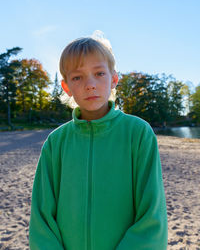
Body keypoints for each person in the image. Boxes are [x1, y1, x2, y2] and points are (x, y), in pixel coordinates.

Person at [29, 37, 168, 249]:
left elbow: (152, 216)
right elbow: (42, 220)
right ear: (66, 87)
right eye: (77, 77)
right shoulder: (56, 143)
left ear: (113, 79)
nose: (90, 84)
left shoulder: (138, 134)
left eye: (99, 73)